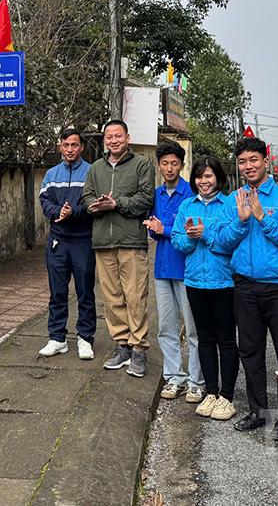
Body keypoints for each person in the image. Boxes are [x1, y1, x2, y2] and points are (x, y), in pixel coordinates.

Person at [221, 136, 278, 442]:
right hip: (244, 286)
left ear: (265, 161)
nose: (248, 166)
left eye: (254, 160)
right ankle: (258, 411)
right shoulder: (233, 200)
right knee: (250, 350)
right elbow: (222, 242)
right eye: (242, 162)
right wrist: (241, 222)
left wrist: (262, 218)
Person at [83, 119, 156, 377]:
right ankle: (121, 345)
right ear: (105, 140)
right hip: (103, 241)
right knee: (112, 297)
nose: (113, 140)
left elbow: (146, 199)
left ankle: (138, 350)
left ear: (127, 137)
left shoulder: (141, 165)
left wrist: (117, 203)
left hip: (131, 241)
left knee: (135, 297)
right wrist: (96, 204)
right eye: (109, 137)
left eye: (118, 136)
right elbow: (86, 196)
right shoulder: (95, 168)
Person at [170, 155, 237, 421]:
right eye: (199, 176)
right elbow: (177, 240)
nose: (203, 181)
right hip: (195, 282)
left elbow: (232, 241)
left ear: (218, 178)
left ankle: (227, 396)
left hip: (224, 282)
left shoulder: (229, 205)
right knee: (205, 339)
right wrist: (189, 238)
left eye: (208, 176)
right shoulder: (187, 205)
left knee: (227, 339)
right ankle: (211, 392)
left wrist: (205, 235)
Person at [141, 140, 205, 403]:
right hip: (162, 269)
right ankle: (173, 377)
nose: (169, 168)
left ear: (182, 165)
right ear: (159, 166)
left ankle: (196, 381)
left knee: (192, 329)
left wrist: (163, 229)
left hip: (187, 268)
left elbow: (189, 230)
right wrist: (155, 228)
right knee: (166, 327)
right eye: (165, 163)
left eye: (174, 163)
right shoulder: (155, 195)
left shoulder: (191, 195)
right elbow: (150, 228)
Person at [37, 127, 95, 360]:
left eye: (74, 145)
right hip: (58, 242)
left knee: (85, 292)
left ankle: (85, 338)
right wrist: (57, 212)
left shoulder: (92, 172)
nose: (70, 149)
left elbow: (93, 205)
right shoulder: (51, 174)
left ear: (81, 147)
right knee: (57, 292)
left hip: (83, 241)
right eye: (66, 145)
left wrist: (75, 213)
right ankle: (57, 338)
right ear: (60, 146)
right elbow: (44, 200)